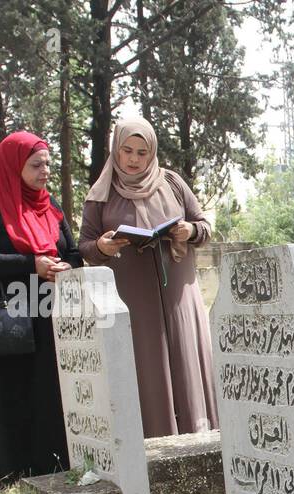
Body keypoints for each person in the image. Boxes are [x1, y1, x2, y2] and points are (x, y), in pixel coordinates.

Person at [78, 117, 219, 438]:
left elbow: (204, 226)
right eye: (127, 150)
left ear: (152, 152)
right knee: (145, 363)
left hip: (178, 297)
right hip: (132, 299)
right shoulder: (101, 193)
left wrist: (190, 229)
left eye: (142, 152)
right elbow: (84, 245)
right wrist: (102, 245)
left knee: (186, 360)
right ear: (116, 149)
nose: (133, 159)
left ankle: (198, 435)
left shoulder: (171, 183)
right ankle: (150, 439)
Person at [0, 131, 81, 485]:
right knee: (8, 389)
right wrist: (32, 264)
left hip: (45, 312)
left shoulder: (49, 205)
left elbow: (69, 252)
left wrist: (64, 267)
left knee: (46, 387)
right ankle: (10, 466)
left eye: (47, 164)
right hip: (4, 314)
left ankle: (49, 461)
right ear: (14, 166)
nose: (45, 171)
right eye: (36, 164)